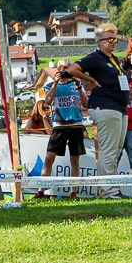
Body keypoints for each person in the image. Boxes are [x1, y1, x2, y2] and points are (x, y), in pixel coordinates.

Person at [76, 25, 131, 190]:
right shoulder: (95, 57)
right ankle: (108, 190)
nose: (114, 42)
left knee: (116, 150)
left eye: (116, 39)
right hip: (105, 106)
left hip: (119, 108)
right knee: (108, 150)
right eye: (110, 39)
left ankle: (112, 188)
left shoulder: (113, 59)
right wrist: (91, 80)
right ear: (100, 42)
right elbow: (73, 69)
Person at [42, 61, 95, 192]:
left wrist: (78, 86)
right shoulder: (50, 85)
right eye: (62, 68)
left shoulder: (77, 84)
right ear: (58, 70)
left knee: (74, 159)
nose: (65, 71)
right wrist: (55, 82)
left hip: (76, 125)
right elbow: (47, 102)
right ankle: (41, 189)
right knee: (49, 157)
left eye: (67, 68)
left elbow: (85, 104)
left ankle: (74, 191)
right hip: (59, 125)